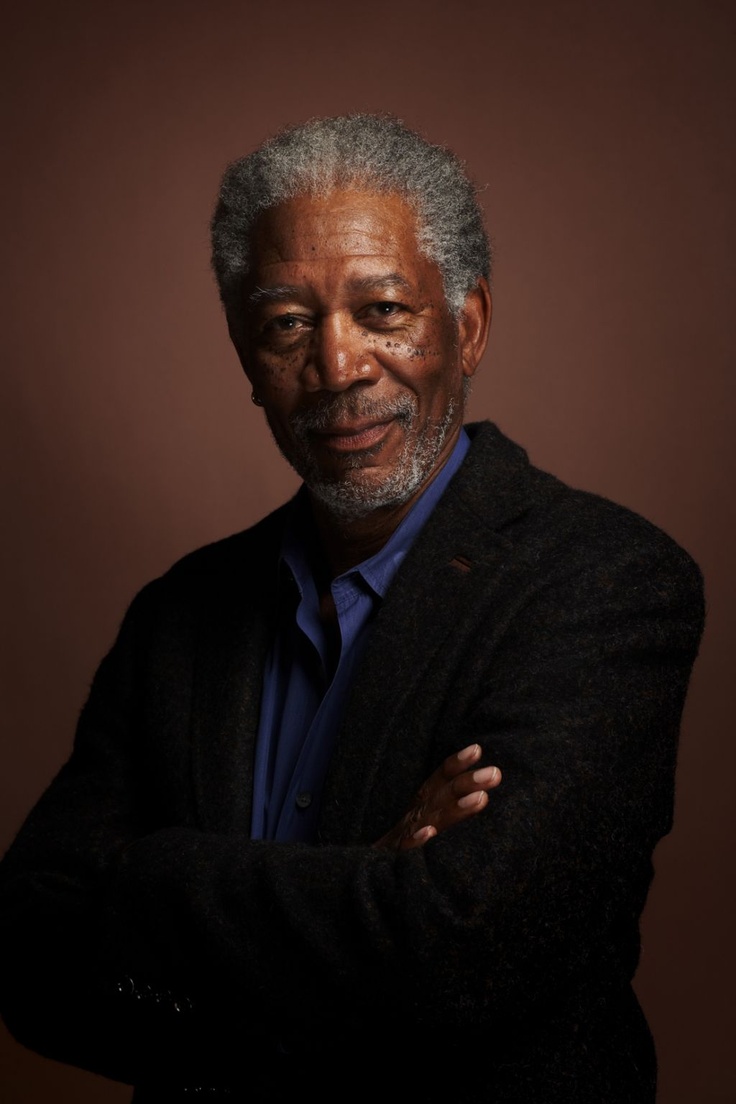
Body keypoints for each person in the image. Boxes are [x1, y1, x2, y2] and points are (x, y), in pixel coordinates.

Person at [0, 115, 704, 1102]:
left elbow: (466, 953)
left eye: (382, 312)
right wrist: (362, 882)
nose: (336, 371)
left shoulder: (606, 582)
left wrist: (146, 879)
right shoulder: (178, 615)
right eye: (288, 323)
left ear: (467, 326)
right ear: (247, 357)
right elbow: (28, 954)